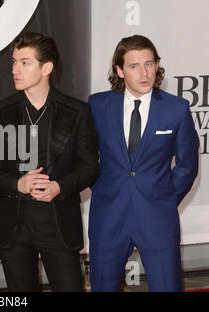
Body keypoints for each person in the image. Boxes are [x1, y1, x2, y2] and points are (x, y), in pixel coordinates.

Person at [0, 32, 100, 291]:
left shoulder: (77, 111)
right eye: (13, 62)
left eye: (25, 62)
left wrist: (59, 186)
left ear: (46, 67)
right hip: (14, 225)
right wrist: (18, 183)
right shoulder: (0, 111)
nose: (15, 69)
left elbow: (90, 167)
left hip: (58, 223)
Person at [88, 35, 199, 292]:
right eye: (134, 66)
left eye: (150, 64)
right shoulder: (97, 105)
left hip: (157, 216)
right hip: (109, 215)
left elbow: (187, 166)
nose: (144, 73)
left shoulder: (176, 109)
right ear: (119, 70)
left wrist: (165, 198)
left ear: (157, 65)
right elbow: (85, 156)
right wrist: (104, 188)